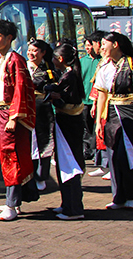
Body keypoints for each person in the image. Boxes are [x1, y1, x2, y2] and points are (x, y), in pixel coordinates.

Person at [0, 19, 38, 221]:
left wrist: (14, 117)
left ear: (9, 38)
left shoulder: (15, 59)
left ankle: (11, 204)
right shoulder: (2, 59)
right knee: (6, 157)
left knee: (12, 157)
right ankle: (14, 200)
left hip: (10, 114)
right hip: (0, 113)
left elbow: (21, 89)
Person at [95, 32, 133, 210]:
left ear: (115, 44)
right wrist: (98, 122)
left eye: (105, 43)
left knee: (128, 156)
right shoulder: (104, 67)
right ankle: (118, 197)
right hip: (111, 113)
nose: (102, 47)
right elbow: (102, 96)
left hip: (130, 112)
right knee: (114, 156)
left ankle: (131, 194)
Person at [48, 44, 86, 220]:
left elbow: (66, 100)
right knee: (65, 161)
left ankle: (74, 208)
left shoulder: (69, 76)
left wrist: (56, 96)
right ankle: (67, 203)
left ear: (60, 59)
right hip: (67, 123)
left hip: (68, 124)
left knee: (69, 162)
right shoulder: (70, 74)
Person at [26, 39, 56, 192]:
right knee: (29, 143)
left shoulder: (49, 69)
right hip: (27, 109)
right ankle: (29, 175)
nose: (31, 53)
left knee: (44, 144)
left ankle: (42, 176)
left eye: (35, 50)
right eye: (30, 50)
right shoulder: (23, 67)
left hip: (43, 110)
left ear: (43, 53)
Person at [79, 31, 105, 164]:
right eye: (87, 45)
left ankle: (96, 152)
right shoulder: (82, 61)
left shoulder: (102, 61)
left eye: (91, 44)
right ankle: (86, 149)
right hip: (84, 99)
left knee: (97, 126)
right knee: (86, 126)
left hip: (97, 100)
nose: (88, 47)